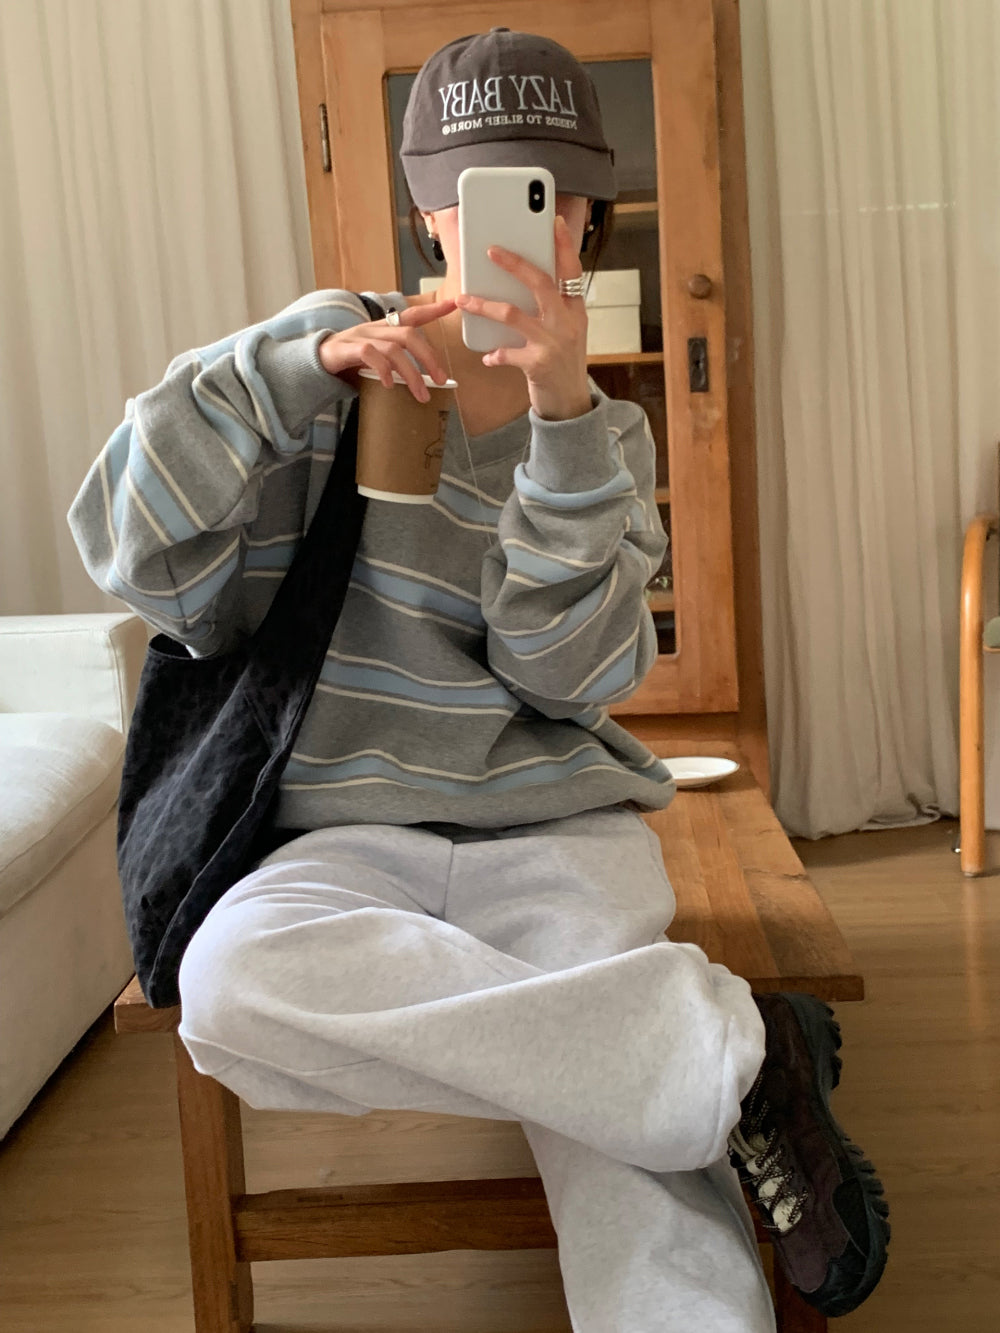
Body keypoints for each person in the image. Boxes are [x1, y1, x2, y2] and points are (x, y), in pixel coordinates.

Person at [68, 27, 887, 1331]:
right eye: (479, 193)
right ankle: (732, 1060)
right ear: (428, 216)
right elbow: (128, 544)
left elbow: (569, 678)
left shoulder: (605, 434)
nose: (519, 227)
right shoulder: (322, 371)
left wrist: (561, 416)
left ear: (588, 218)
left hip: (555, 826)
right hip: (339, 835)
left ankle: (684, 1073)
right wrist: (295, 370)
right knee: (232, 984)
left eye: (547, 195)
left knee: (605, 1106)